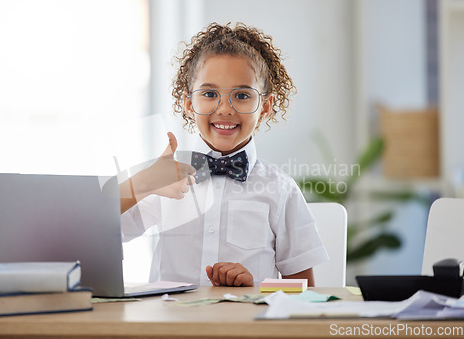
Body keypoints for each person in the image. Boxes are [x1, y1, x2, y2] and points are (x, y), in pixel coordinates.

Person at [119, 22, 328, 287]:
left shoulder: (281, 189)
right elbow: (96, 230)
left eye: (241, 95)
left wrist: (257, 287)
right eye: (209, 93)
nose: (225, 109)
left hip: (245, 326)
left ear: (264, 106)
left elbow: (303, 291)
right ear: (188, 102)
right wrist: (143, 183)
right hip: (169, 325)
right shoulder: (163, 179)